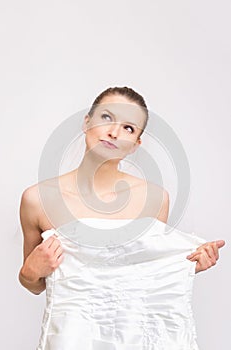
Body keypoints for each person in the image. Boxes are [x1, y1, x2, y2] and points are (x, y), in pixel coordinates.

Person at [19, 87, 225, 349]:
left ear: (136, 144)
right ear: (87, 122)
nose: (114, 132)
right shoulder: (37, 199)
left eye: (128, 128)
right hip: (69, 339)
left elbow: (143, 279)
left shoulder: (155, 199)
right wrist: (29, 272)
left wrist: (185, 266)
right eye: (106, 117)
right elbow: (33, 283)